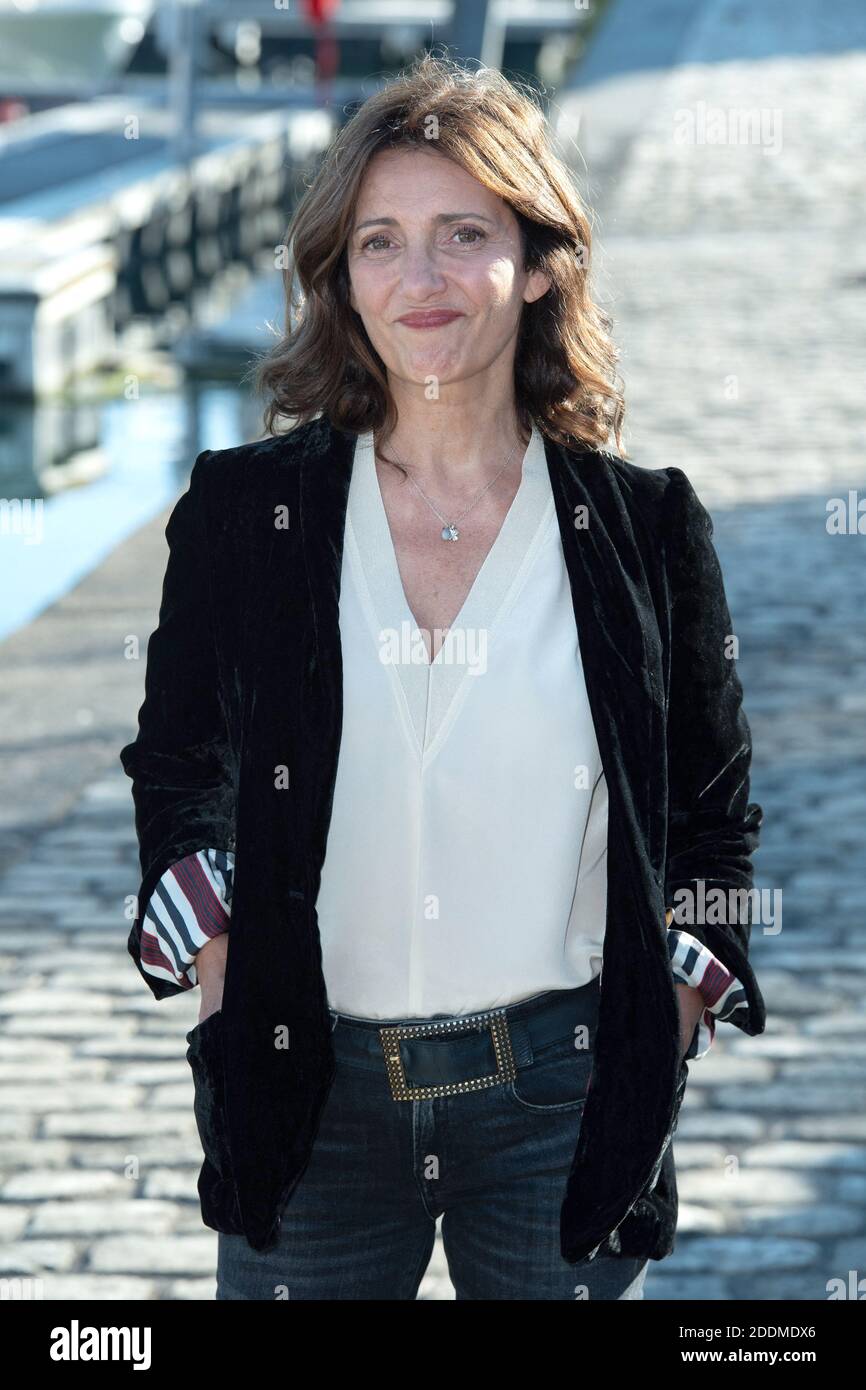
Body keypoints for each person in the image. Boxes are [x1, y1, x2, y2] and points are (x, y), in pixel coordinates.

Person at [119, 52, 766, 1301]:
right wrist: (216, 979)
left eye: (459, 234)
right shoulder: (244, 513)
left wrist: (666, 1025)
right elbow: (177, 771)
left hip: (559, 1102)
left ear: (531, 267)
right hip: (307, 1092)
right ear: (340, 279)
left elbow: (713, 825)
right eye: (380, 241)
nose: (417, 278)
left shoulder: (645, 528)